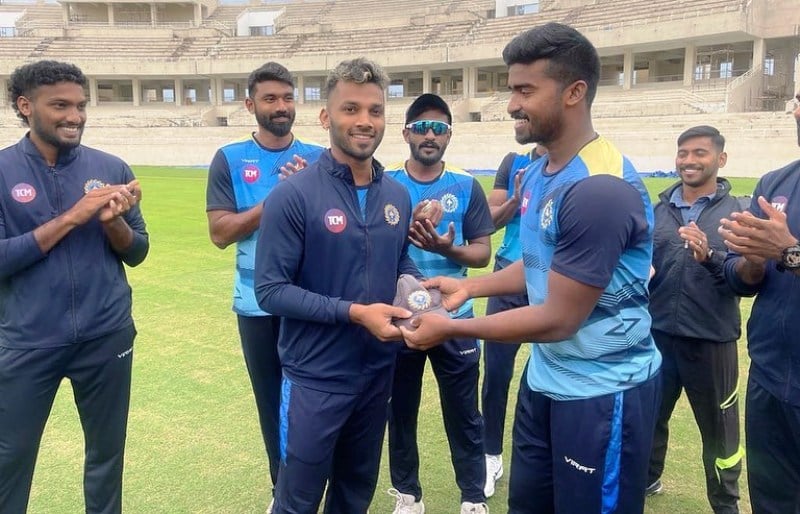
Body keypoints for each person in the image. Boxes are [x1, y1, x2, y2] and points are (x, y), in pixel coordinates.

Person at [400, 22, 661, 514]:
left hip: (602, 392)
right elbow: (539, 266)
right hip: (546, 379)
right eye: (511, 88)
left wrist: (451, 326)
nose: (512, 104)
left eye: (525, 90)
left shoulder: (599, 188)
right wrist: (469, 286)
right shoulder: (540, 172)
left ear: (574, 92)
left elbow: (559, 317)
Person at [253, 57, 418, 514]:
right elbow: (270, 290)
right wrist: (355, 313)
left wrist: (419, 289)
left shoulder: (397, 196)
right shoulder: (294, 195)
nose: (364, 121)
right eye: (351, 109)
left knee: (354, 494)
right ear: (326, 117)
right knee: (298, 500)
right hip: (315, 379)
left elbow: (398, 260)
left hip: (377, 372)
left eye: (375, 111)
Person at [0, 60, 149, 514]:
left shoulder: (110, 167)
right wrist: (71, 218)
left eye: (81, 106)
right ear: (26, 106)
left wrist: (113, 223)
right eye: (60, 105)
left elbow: (138, 251)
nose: (75, 116)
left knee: (106, 457)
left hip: (106, 337)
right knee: (9, 459)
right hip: (29, 340)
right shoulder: (3, 170)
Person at [205, 61, 323, 512]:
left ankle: (314, 485)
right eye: (271, 99)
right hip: (256, 305)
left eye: (288, 98)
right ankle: (283, 492)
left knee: (316, 397)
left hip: (311, 300)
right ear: (251, 104)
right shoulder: (230, 159)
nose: (281, 107)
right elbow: (221, 233)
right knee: (272, 401)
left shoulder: (318, 157)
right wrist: (280, 195)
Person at [385, 93, 494, 514]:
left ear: (449, 135)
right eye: (422, 127)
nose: (430, 135)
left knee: (465, 414)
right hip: (402, 319)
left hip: (454, 317)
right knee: (401, 412)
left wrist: (448, 249)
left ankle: (472, 497)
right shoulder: (386, 183)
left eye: (439, 128)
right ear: (407, 132)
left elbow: (482, 254)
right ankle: (409, 495)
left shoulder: (466, 185)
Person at [645, 126, 744, 514]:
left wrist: (712, 258)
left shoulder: (738, 213)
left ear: (720, 160)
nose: (689, 161)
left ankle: (725, 503)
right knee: (649, 417)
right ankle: (646, 479)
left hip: (711, 339)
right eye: (683, 153)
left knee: (720, 433)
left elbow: (747, 279)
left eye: (699, 153)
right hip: (656, 336)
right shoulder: (657, 211)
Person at [719, 101, 800, 514]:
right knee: (771, 502)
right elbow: (742, 279)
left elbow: (788, 255)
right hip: (769, 381)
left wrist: (789, 252)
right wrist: (751, 260)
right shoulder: (776, 183)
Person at [481, 143, 545, 499]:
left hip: (553, 281)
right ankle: (491, 456)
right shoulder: (513, 161)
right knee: (497, 374)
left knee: (551, 371)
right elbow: (488, 222)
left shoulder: (578, 163)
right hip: (507, 276)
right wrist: (516, 199)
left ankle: (545, 455)